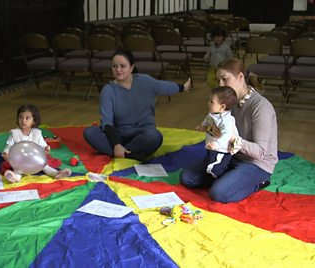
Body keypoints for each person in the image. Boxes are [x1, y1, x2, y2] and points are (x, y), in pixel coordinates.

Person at [180, 58, 278, 203]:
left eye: (225, 79)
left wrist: (233, 140)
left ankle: (258, 182)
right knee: (187, 178)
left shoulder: (260, 107)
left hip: (256, 163)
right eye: (218, 80)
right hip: (230, 156)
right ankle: (228, 177)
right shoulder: (227, 101)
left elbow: (260, 152)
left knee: (219, 193)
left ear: (240, 77)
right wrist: (211, 130)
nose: (220, 85)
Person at [83, 49, 191, 162]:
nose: (118, 70)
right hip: (118, 135)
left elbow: (163, 86)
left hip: (143, 134)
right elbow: (107, 123)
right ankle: (130, 154)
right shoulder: (108, 90)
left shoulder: (145, 81)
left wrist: (182, 87)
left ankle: (121, 153)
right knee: (90, 132)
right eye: (114, 66)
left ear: (132, 67)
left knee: (155, 137)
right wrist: (116, 145)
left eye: (122, 66)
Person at [2, 104, 72, 182]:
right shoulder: (15, 133)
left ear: (33, 121)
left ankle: (56, 173)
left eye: (27, 118)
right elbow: (9, 145)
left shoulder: (37, 133)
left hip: (36, 161)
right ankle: (15, 178)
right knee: (17, 169)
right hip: (20, 160)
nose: (23, 120)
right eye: (20, 117)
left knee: (45, 166)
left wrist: (46, 148)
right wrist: (6, 153)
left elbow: (42, 145)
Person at [198, 86, 239, 178]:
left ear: (222, 106)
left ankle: (225, 176)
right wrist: (203, 126)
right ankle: (211, 175)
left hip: (221, 150)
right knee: (209, 162)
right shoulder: (212, 114)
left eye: (211, 102)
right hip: (211, 147)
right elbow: (207, 119)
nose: (208, 103)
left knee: (216, 168)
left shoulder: (226, 121)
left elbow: (226, 135)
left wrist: (216, 144)